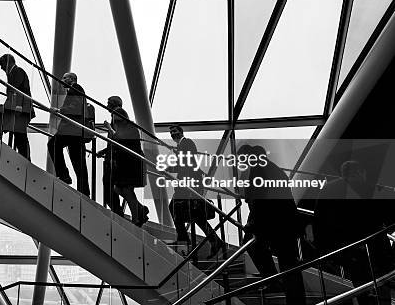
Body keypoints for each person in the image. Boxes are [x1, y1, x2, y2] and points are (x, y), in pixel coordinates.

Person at [314, 161, 392, 305]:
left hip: (347, 248)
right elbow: (385, 215)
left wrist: (323, 247)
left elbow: (319, 219)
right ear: (359, 172)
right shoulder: (367, 188)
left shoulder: (328, 189)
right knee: (381, 282)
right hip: (372, 247)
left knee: (360, 286)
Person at [239, 144, 305, 305]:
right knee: (288, 262)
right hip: (284, 223)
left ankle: (273, 282)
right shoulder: (272, 169)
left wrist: (253, 224)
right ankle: (289, 294)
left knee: (253, 245)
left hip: (274, 223)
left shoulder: (259, 170)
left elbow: (259, 201)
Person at [166, 125, 224, 258]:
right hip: (191, 183)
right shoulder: (183, 145)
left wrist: (171, 169)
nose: (172, 134)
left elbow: (186, 165)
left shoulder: (187, 143)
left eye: (175, 131)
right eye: (171, 132)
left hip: (189, 184)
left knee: (174, 207)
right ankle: (215, 241)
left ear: (181, 132)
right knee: (197, 216)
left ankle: (184, 239)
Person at [104, 106, 148, 227]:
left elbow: (118, 139)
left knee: (127, 190)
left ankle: (136, 218)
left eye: (117, 120)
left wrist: (108, 128)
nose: (115, 122)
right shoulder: (126, 128)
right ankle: (140, 210)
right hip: (126, 163)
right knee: (118, 189)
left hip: (133, 163)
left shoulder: (131, 127)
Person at [47, 72, 90, 196]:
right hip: (76, 132)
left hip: (71, 130)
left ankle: (64, 175)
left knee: (53, 144)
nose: (62, 79)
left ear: (72, 79)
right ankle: (84, 192)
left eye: (65, 77)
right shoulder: (75, 90)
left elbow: (75, 108)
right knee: (79, 163)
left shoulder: (76, 88)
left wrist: (60, 111)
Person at [0, 54, 34, 160]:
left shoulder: (17, 72)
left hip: (20, 110)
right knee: (19, 135)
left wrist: (2, 108)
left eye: (2, 64)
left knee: (17, 134)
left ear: (8, 63)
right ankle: (25, 160)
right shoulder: (14, 73)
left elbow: (16, 94)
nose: (1, 67)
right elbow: (14, 96)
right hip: (18, 109)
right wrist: (0, 107)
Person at [97, 96, 124, 216]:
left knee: (109, 189)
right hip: (112, 156)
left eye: (108, 103)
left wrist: (108, 127)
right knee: (111, 189)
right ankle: (120, 212)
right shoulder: (117, 115)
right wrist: (104, 151)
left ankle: (119, 213)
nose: (106, 105)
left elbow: (118, 137)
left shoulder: (118, 114)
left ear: (114, 103)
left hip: (113, 159)